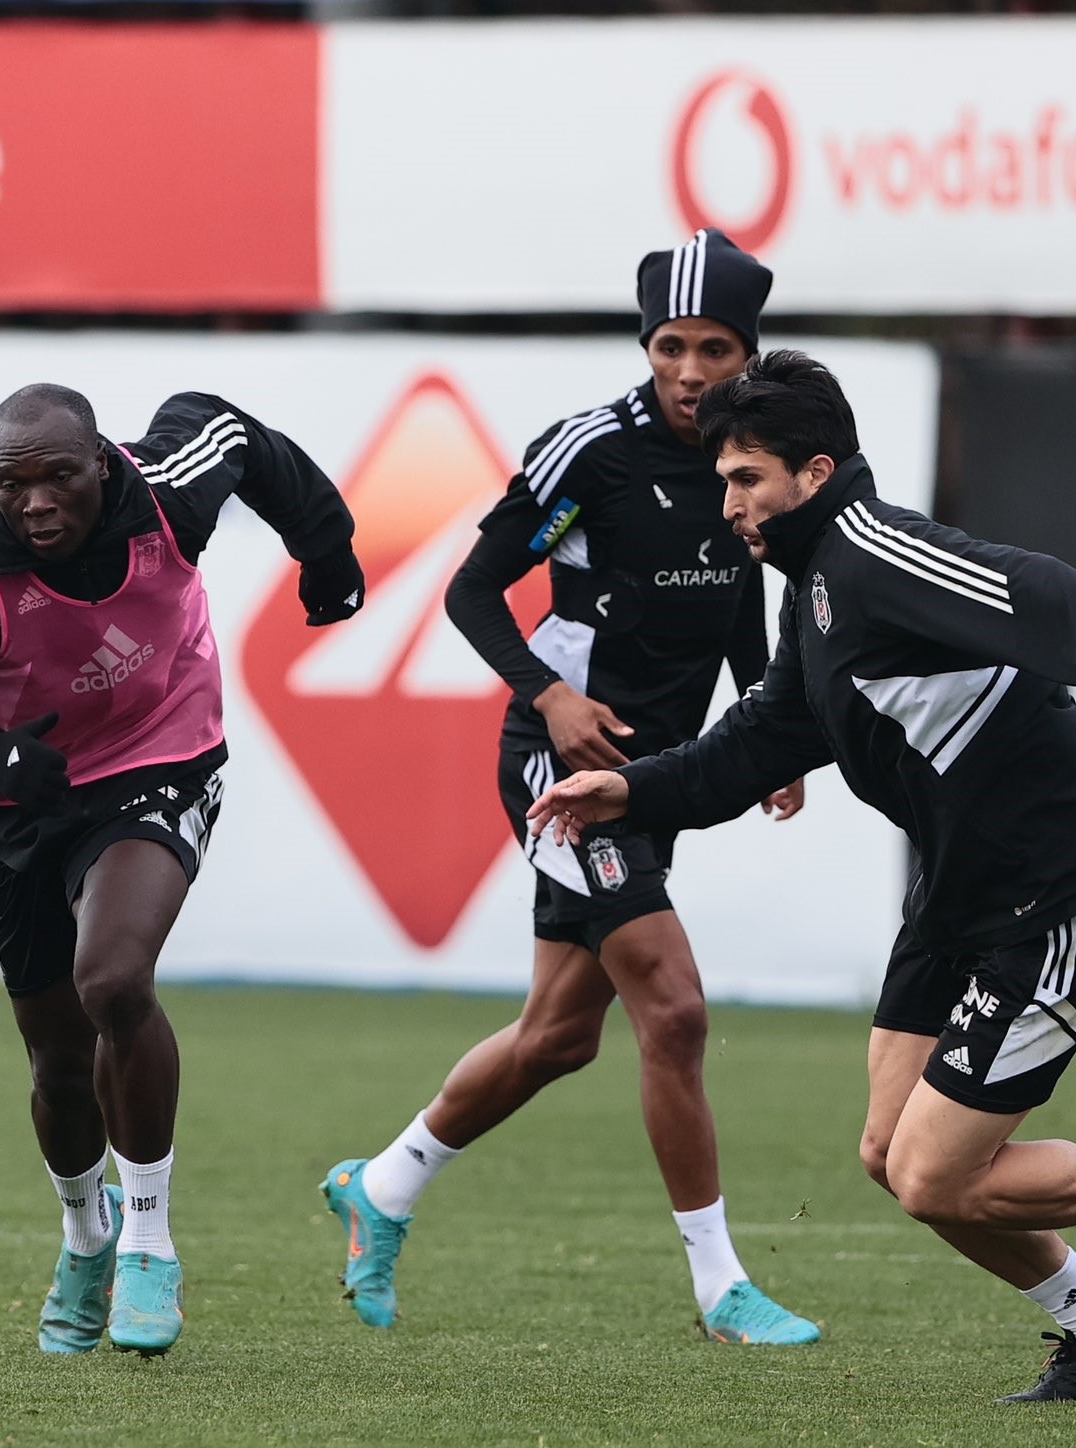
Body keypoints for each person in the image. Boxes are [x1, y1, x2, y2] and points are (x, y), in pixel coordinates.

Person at [528, 350, 1076, 1402]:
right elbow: (764, 735)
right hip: (954, 907)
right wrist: (633, 792)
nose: (726, 502)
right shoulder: (815, 591)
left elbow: (1018, 584)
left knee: (933, 1170)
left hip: (1041, 908)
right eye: (720, 480)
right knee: (890, 1153)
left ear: (814, 473)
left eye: (744, 479)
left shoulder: (872, 550)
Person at [322, 229, 821, 1346]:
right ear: (645, 344)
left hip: (658, 780)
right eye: (669, 347)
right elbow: (473, 590)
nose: (690, 372)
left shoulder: (750, 455)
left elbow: (743, 608)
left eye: (715, 350)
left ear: (749, 350)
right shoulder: (588, 455)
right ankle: (717, 1286)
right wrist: (548, 700)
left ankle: (382, 1188)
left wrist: (766, 730)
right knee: (675, 1008)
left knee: (556, 1036)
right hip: (563, 770)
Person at [0, 383, 362, 1356]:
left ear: (104, 465)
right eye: (12, 483)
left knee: (113, 982)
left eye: (57, 477)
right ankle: (87, 1237)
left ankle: (150, 1248)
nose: (35, 502)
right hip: (22, 799)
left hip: (160, 755)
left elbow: (238, 433)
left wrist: (324, 550)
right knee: (53, 1058)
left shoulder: (165, 492)